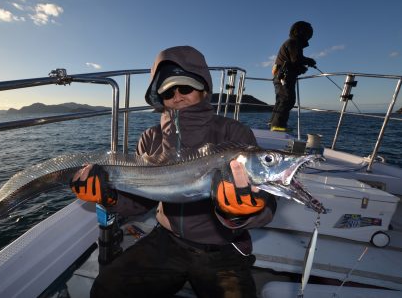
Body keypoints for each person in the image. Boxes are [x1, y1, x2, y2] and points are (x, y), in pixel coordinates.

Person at [70, 45, 277, 298]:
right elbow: (140, 204)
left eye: (186, 87)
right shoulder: (149, 138)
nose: (177, 96)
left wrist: (241, 214)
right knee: (106, 289)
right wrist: (108, 198)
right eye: (168, 91)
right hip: (166, 241)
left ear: (204, 89)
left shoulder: (233, 134)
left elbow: (268, 205)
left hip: (222, 248)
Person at [270, 21, 317, 132]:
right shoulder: (294, 42)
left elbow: (293, 61)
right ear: (303, 33)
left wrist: (302, 67)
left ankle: (273, 123)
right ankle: (278, 126)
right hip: (284, 77)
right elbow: (296, 60)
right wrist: (308, 61)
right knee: (288, 100)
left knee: (281, 100)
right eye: (308, 33)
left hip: (280, 76)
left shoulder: (291, 42)